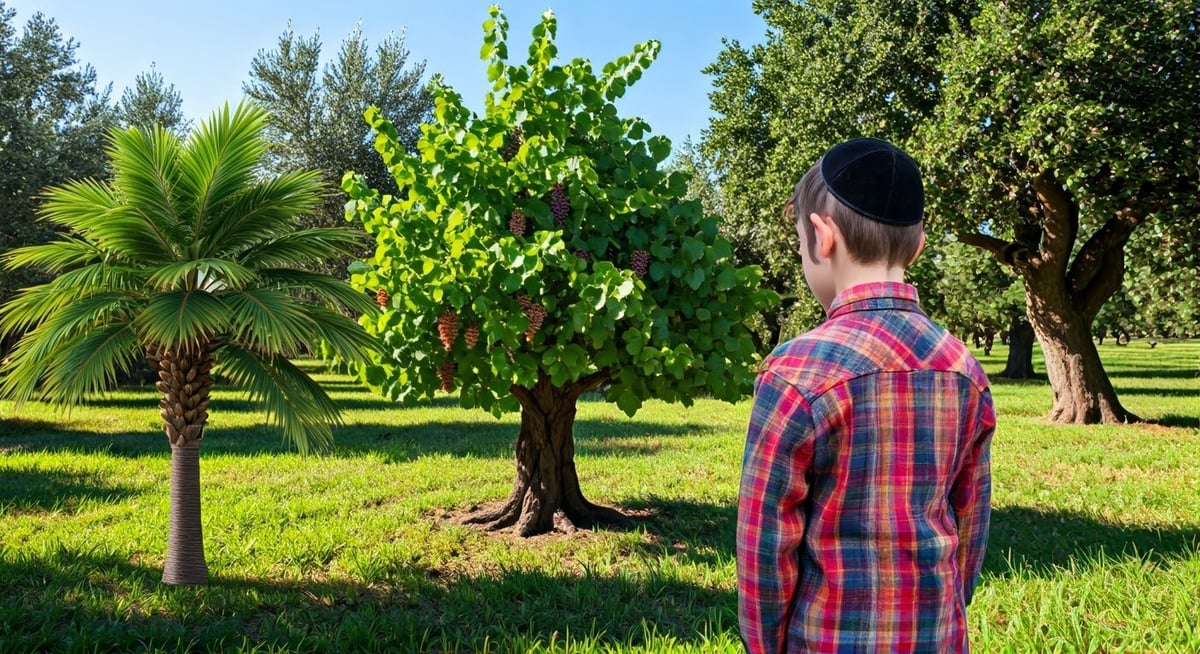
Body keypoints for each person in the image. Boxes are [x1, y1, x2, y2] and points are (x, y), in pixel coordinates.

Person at [737, 137, 996, 653]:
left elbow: (764, 545)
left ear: (821, 236)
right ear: (918, 247)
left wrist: (764, 644)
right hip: (938, 638)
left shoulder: (795, 371)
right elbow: (970, 527)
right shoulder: (962, 368)